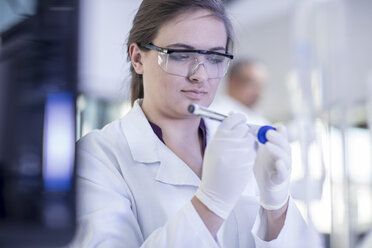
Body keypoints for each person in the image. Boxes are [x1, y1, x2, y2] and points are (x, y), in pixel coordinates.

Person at [70, 0, 322, 247]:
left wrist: (276, 207)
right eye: (180, 54)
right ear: (137, 58)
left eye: (214, 58)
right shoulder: (97, 157)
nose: (199, 75)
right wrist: (209, 205)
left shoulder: (244, 145)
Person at [210, 59, 270, 125]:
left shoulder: (261, 120)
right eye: (252, 84)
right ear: (232, 81)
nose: (258, 93)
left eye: (261, 86)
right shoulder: (213, 114)